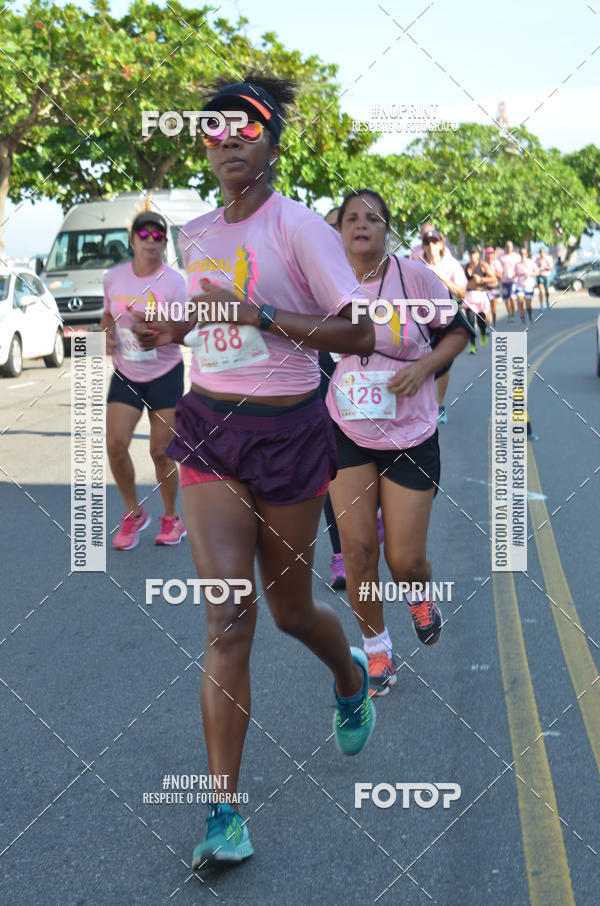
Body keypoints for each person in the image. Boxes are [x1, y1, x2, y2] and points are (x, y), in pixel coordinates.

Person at [133, 74, 376, 868]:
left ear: (271, 142)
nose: (228, 141)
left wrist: (260, 313)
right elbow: (197, 329)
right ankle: (223, 816)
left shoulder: (301, 229)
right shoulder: (195, 233)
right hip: (209, 429)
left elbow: (361, 334)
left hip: (290, 434)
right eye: (214, 131)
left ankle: (347, 676)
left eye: (244, 129)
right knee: (227, 620)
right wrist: (164, 323)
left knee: (292, 611)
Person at [325, 189, 470, 697]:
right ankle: (377, 648)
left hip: (410, 433)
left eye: (373, 218)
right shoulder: (322, 280)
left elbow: (458, 330)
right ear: (339, 229)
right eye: (352, 218)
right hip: (347, 429)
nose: (362, 224)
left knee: (405, 560)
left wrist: (425, 369)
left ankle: (420, 595)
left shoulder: (414, 277)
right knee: (359, 548)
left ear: (388, 229)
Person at [102, 209, 187, 550]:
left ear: (164, 243)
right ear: (132, 240)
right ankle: (133, 512)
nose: (151, 242)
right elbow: (108, 313)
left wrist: (157, 331)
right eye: (144, 235)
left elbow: (185, 330)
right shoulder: (114, 277)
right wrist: (108, 335)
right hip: (127, 370)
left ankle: (171, 518)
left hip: (165, 371)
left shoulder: (174, 282)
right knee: (115, 445)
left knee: (160, 451)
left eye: (158, 237)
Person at [416, 228, 466, 423]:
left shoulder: (451, 264)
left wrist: (440, 276)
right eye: (427, 243)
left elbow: (461, 293)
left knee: (443, 362)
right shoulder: (416, 262)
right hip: (420, 315)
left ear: (441, 244)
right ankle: (421, 404)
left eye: (434, 242)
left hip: (445, 316)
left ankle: (440, 404)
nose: (430, 246)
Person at [463, 245, 495, 352]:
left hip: (480, 296)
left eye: (475, 253)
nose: (473, 256)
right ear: (469, 255)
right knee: (470, 322)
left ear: (478, 254)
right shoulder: (465, 267)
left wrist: (481, 279)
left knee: (481, 322)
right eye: (471, 253)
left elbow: (493, 278)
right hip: (469, 297)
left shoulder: (483, 265)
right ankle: (472, 346)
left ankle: (482, 334)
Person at [514, 246, 539, 323]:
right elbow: (515, 274)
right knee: (520, 302)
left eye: (524, 254)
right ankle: (522, 318)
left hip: (529, 285)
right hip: (519, 285)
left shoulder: (531, 262)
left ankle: (530, 315)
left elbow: (537, 272)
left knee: (528, 305)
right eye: (521, 253)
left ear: (527, 254)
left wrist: (530, 274)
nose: (522, 255)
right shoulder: (517, 264)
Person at [499, 241, 520, 320]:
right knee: (506, 298)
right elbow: (499, 268)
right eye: (506, 246)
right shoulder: (501, 257)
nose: (508, 248)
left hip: (514, 280)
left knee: (513, 296)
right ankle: (509, 312)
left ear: (512, 247)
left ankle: (513, 311)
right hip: (504, 281)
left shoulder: (517, 257)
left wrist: (516, 273)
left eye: (509, 246)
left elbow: (519, 267)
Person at [484, 246, 502, 327]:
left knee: (493, 309)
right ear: (486, 254)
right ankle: (487, 327)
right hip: (485, 288)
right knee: (486, 309)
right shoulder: (483, 263)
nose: (490, 256)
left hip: (494, 287)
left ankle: (494, 324)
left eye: (491, 254)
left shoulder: (496, 263)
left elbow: (500, 275)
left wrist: (492, 273)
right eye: (488, 254)